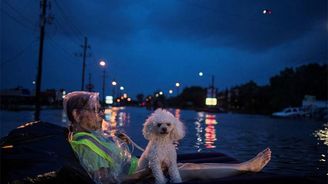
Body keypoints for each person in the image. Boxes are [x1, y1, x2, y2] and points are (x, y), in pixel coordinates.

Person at [64, 91, 271, 183]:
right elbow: (108, 182)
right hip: (139, 175)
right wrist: (144, 175)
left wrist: (117, 140)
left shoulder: (90, 136)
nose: (100, 114)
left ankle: (243, 166)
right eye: (96, 110)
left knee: (183, 165)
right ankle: (246, 167)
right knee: (187, 169)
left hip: (137, 166)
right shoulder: (84, 145)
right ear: (76, 115)